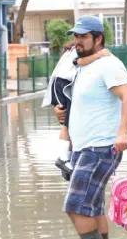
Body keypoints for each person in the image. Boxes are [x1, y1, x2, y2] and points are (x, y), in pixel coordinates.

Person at [52, 15, 127, 239]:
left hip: (101, 148)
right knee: (93, 208)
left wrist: (123, 133)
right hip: (82, 148)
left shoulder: (109, 65)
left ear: (98, 39)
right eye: (75, 36)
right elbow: (80, 102)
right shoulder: (82, 66)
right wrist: (60, 112)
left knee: (75, 208)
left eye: (83, 37)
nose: (77, 41)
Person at [41, 40, 112, 181]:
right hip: (63, 84)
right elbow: (79, 62)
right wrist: (100, 55)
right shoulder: (77, 52)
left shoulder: (72, 51)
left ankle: (66, 159)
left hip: (60, 83)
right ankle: (63, 158)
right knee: (67, 124)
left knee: (69, 124)